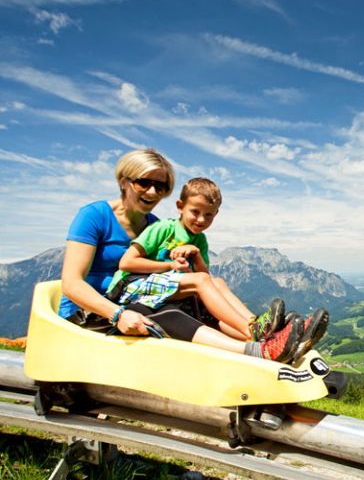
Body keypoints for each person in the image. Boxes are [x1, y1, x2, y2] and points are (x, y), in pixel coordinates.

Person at [58, 148, 318, 366]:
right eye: (143, 182)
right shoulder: (95, 216)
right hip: (94, 311)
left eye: (160, 186)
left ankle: (267, 338)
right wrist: (117, 314)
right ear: (124, 181)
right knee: (169, 314)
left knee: (205, 297)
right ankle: (259, 346)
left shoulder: (156, 225)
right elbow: (71, 283)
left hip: (141, 299)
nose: (152, 192)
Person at [107, 177, 328, 363]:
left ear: (216, 214)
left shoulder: (200, 239)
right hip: (130, 287)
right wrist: (170, 265)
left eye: (209, 215)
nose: (201, 220)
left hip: (163, 290)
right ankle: (256, 332)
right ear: (179, 206)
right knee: (203, 282)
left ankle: (262, 330)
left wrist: (194, 253)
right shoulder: (164, 228)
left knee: (218, 283)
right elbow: (126, 263)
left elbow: (206, 275)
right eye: (195, 212)